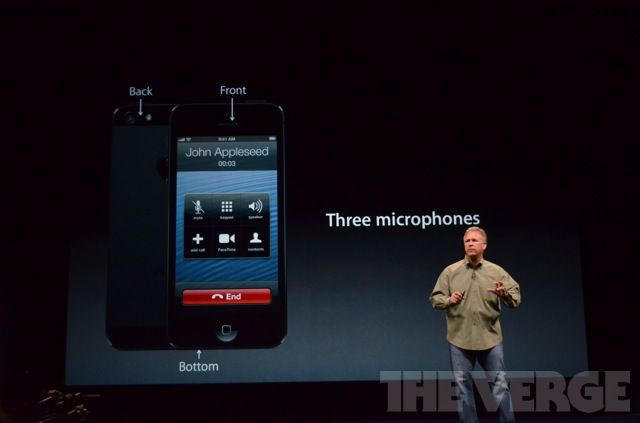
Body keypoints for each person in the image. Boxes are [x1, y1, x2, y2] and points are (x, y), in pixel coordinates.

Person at [430, 226, 521, 423]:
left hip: (490, 338)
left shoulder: (496, 271)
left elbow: (516, 299)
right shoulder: (450, 271)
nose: (470, 244)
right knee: (462, 387)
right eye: (467, 241)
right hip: (459, 339)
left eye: (474, 240)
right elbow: (435, 299)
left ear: (484, 245)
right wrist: (449, 300)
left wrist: (504, 294)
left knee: (499, 384)